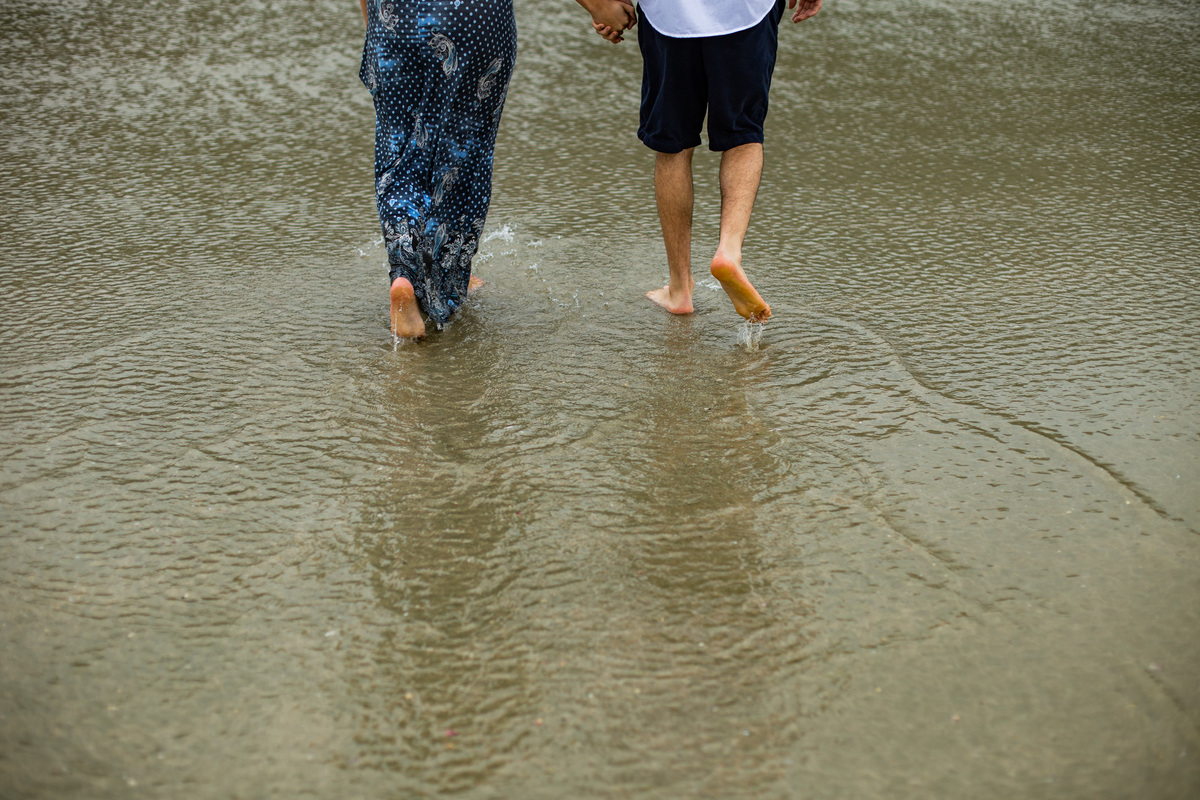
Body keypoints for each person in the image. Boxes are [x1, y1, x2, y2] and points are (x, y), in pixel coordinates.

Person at [583, 0, 824, 323]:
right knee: (743, 136)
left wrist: (602, 4)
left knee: (673, 145)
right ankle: (729, 252)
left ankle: (680, 289)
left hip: (670, 16)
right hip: (746, 13)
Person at [358, 0, 518, 339]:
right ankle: (443, 281)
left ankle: (404, 273)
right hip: (472, 17)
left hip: (394, 15)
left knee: (399, 149)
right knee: (462, 152)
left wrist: (376, 24)